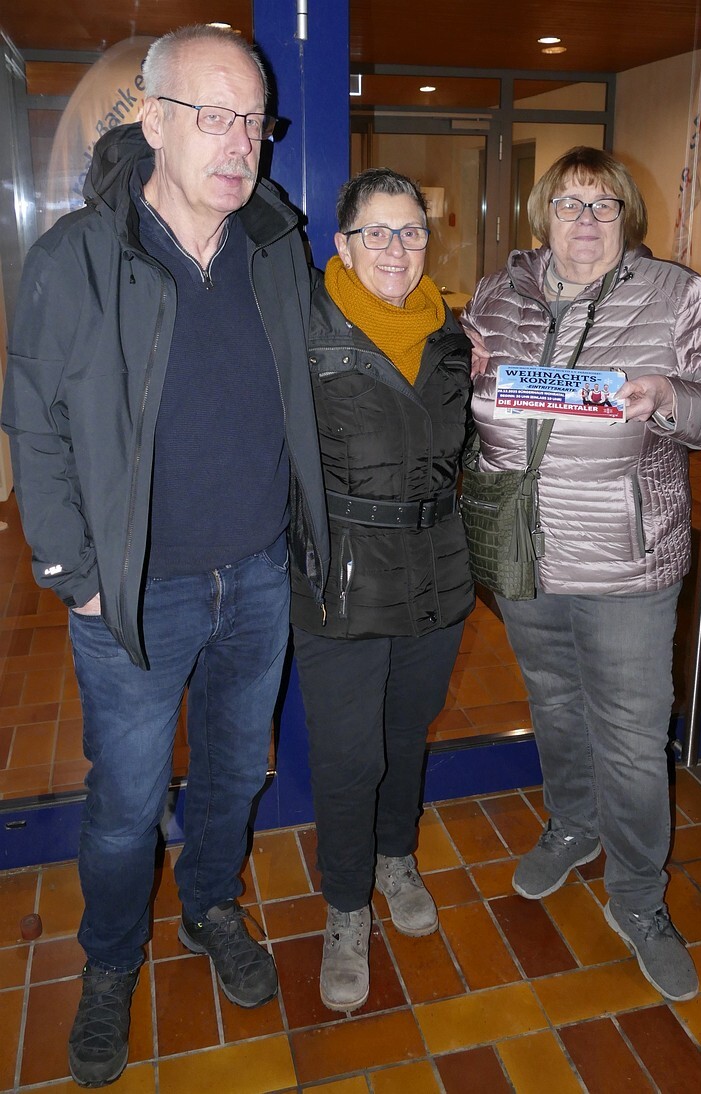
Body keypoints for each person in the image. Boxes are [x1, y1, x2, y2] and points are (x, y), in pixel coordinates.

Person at [2, 25, 328, 1088]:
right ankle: (108, 961)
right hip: (135, 593)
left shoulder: (275, 246)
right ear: (151, 120)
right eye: (213, 115)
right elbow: (34, 422)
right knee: (126, 803)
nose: (240, 143)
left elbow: (319, 376)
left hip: (258, 576)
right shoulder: (78, 257)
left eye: (254, 121)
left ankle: (211, 905)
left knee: (235, 773)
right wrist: (74, 574)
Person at [463, 146, 701, 1004]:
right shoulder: (497, 294)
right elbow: (465, 398)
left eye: (603, 205)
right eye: (569, 204)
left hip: (629, 561)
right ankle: (573, 825)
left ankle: (638, 897)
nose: (585, 221)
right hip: (527, 551)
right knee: (554, 705)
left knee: (630, 738)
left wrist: (667, 395)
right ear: (542, 216)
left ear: (627, 218)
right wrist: (458, 367)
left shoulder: (676, 295)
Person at [290, 168, 474, 1012]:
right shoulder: (304, 325)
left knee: (406, 732)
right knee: (348, 754)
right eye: (377, 233)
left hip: (436, 567)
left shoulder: (449, 335)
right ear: (343, 244)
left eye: (411, 232)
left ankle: (395, 857)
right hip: (343, 575)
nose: (396, 249)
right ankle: (345, 907)